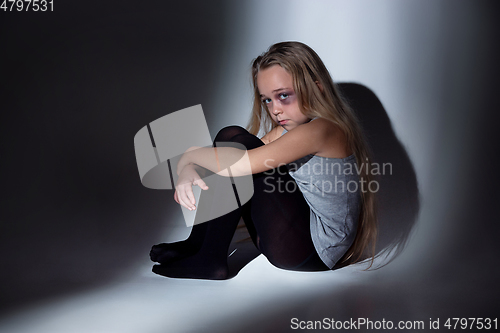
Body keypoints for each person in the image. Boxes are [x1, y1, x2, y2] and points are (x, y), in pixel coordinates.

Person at [150, 41, 377, 280]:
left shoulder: (323, 130)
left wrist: (189, 156)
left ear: (317, 89)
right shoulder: (295, 130)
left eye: (283, 96)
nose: (275, 109)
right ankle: (198, 245)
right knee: (231, 136)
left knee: (239, 150)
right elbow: (232, 157)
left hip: (313, 251)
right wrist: (190, 166)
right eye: (267, 100)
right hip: (289, 238)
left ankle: (210, 260)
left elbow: (242, 163)